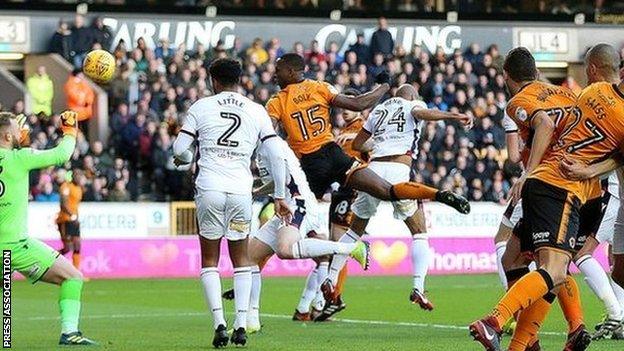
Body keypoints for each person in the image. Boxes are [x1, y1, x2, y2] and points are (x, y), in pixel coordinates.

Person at [267, 53, 470, 311]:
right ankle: (419, 278)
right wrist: (453, 115)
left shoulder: (278, 101)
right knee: (407, 216)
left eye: (278, 69)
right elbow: (362, 103)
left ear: (292, 71)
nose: (274, 74)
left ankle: (326, 280)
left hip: (322, 164)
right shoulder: (322, 88)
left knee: (346, 231)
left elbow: (355, 142)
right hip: (355, 161)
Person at [471, 44, 624, 351]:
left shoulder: (590, 92)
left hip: (551, 181)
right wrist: (590, 168)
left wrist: (531, 171)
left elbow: (554, 126)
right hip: (572, 188)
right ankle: (503, 326)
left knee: (533, 261)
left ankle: (512, 334)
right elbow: (615, 155)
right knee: (546, 266)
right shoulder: (574, 95)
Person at [318, 84, 471, 320]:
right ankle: (418, 287)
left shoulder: (378, 111)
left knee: (353, 232)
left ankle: (330, 277)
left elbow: (358, 145)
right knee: (419, 232)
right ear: (411, 96)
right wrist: (452, 115)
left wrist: (377, 144)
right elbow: (422, 114)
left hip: (374, 170)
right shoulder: (412, 104)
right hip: (399, 170)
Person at [172, 58, 289, 348]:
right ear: (240, 79)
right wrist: (280, 194)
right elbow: (276, 155)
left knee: (210, 261)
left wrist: (183, 159)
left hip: (209, 189)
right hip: (240, 192)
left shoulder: (201, 107)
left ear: (213, 80)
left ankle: (219, 324)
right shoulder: (256, 110)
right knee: (242, 261)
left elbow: (179, 149)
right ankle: (240, 325)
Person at [244, 138, 369, 331]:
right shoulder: (261, 148)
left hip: (297, 202)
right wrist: (255, 191)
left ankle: (351, 247)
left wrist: (275, 196)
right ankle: (251, 320)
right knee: (249, 257)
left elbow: (281, 172)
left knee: (285, 250)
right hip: (287, 203)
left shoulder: (271, 144)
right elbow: (278, 180)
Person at [0, 110, 95, 345]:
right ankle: (70, 333)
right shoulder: (20, 158)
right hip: (14, 246)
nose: (21, 133)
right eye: (16, 130)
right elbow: (63, 153)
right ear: (8, 137)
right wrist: (70, 128)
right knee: (72, 277)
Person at [57, 169, 86, 271]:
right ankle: (50, 261)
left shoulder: (79, 188)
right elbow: (63, 204)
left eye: (81, 176)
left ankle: (76, 273)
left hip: (74, 220)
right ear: (73, 176)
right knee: (67, 248)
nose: (79, 178)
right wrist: (72, 215)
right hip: (65, 219)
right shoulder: (65, 187)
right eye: (77, 175)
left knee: (77, 245)